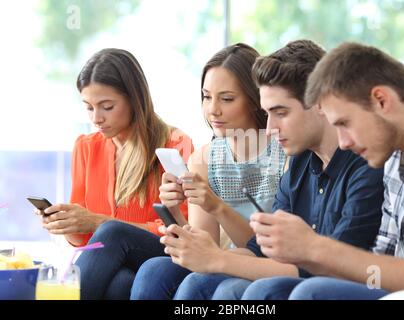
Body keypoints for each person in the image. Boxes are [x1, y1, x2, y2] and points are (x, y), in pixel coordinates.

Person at [133, 39, 384, 300]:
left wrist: (218, 259)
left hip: (340, 283)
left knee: (240, 290)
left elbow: (333, 268)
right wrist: (200, 249)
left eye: (281, 113)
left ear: (320, 104)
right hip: (295, 276)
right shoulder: (300, 164)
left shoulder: (365, 165)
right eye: (268, 113)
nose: (271, 127)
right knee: (185, 279)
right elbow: (261, 248)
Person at [248, 41, 404, 300]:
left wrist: (313, 247)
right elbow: (381, 263)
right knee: (278, 290)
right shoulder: (393, 160)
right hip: (401, 291)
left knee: (310, 293)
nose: (343, 143)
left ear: (381, 100)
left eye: (344, 123)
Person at [130, 43, 286, 299]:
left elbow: (259, 250)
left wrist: (215, 205)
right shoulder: (203, 159)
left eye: (226, 99)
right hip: (220, 258)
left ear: (255, 99)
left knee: (202, 285)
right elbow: (206, 247)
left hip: (260, 263)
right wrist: (174, 214)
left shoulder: (284, 154)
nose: (213, 109)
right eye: (206, 96)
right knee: (153, 270)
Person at [38, 48, 193, 299]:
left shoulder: (175, 144)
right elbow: (84, 241)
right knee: (121, 283)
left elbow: (181, 228)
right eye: (89, 108)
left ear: (134, 99)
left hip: (161, 253)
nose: (96, 118)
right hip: (114, 266)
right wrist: (65, 223)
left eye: (107, 106)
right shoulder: (86, 146)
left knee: (113, 231)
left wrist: (98, 221)